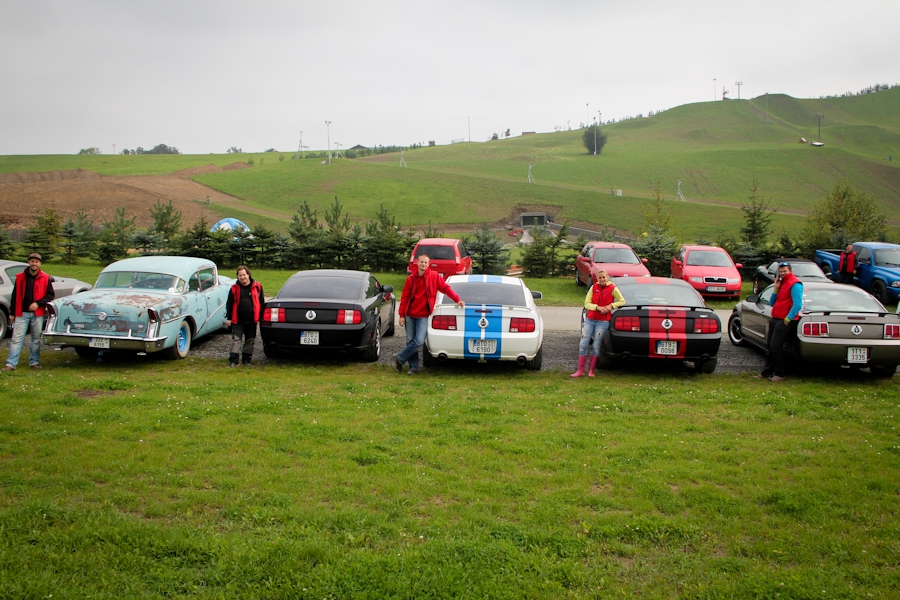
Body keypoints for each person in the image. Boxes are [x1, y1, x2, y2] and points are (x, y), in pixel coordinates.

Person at [395, 254, 464, 374]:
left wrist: (457, 299)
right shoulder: (411, 278)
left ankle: (400, 358)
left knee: (419, 341)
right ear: (417, 263)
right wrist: (401, 315)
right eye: (421, 262)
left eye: (426, 262)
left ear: (429, 264)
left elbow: (445, 288)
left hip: (423, 315)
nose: (423, 264)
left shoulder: (434, 276)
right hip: (409, 314)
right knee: (410, 341)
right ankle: (413, 367)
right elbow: (405, 297)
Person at [3, 253, 55, 372]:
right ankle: (11, 364)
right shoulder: (20, 277)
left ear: (40, 263)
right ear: (28, 262)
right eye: (32, 261)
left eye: (36, 262)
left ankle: (34, 362)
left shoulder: (45, 278)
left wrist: (38, 303)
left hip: (38, 314)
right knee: (16, 339)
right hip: (22, 313)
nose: (34, 264)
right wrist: (12, 313)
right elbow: (15, 295)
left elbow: (50, 295)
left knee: (35, 339)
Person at [571, 270, 626, 378]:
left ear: (607, 277)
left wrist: (611, 306)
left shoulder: (613, 288)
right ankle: (580, 370)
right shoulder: (594, 287)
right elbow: (587, 304)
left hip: (603, 321)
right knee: (583, 344)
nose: (602, 279)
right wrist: (597, 307)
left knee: (596, 345)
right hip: (590, 319)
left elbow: (622, 301)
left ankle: (591, 371)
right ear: (597, 278)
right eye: (600, 278)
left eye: (604, 277)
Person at [756, 262, 803, 382]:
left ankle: (780, 373)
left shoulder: (795, 284)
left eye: (785, 271)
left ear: (790, 271)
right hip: (775, 318)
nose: (782, 273)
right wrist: (776, 289)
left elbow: (797, 304)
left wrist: (787, 319)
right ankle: (766, 372)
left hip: (784, 320)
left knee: (775, 347)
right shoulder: (781, 283)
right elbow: (772, 303)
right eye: (781, 271)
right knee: (769, 347)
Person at [225, 265, 264, 367]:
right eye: (240, 275)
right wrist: (229, 318)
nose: (242, 277)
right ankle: (233, 361)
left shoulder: (257, 287)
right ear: (237, 277)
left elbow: (262, 303)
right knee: (236, 340)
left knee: (250, 341)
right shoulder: (234, 288)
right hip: (238, 320)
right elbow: (229, 303)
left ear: (248, 274)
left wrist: (261, 318)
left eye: (244, 275)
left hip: (252, 320)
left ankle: (246, 361)